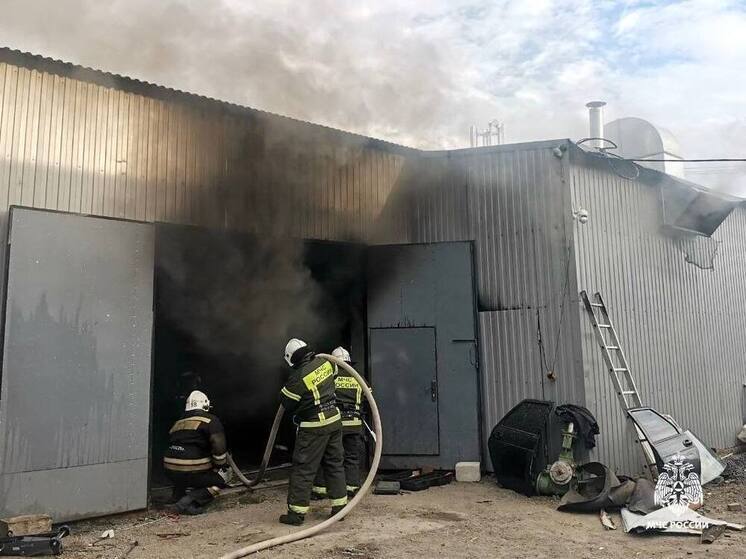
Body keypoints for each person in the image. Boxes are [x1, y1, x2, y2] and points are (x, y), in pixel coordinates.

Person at [279, 338, 347, 525]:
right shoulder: (326, 362)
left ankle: (296, 514)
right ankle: (340, 508)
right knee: (334, 464)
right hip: (334, 421)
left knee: (304, 469)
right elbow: (334, 375)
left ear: (292, 359)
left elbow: (286, 403)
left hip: (314, 427)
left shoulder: (297, 378)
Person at [163, 390, 231, 515]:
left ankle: (177, 495)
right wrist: (221, 465)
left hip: (169, 469)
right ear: (206, 405)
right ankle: (189, 500)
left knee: (186, 474)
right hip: (192, 469)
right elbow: (218, 445)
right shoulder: (211, 420)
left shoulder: (179, 422)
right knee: (223, 479)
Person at [312, 346, 365, 500]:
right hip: (354, 423)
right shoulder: (358, 378)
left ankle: (320, 489)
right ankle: (351, 487)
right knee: (351, 457)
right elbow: (367, 396)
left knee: (327, 456)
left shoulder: (330, 377)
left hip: (335, 424)